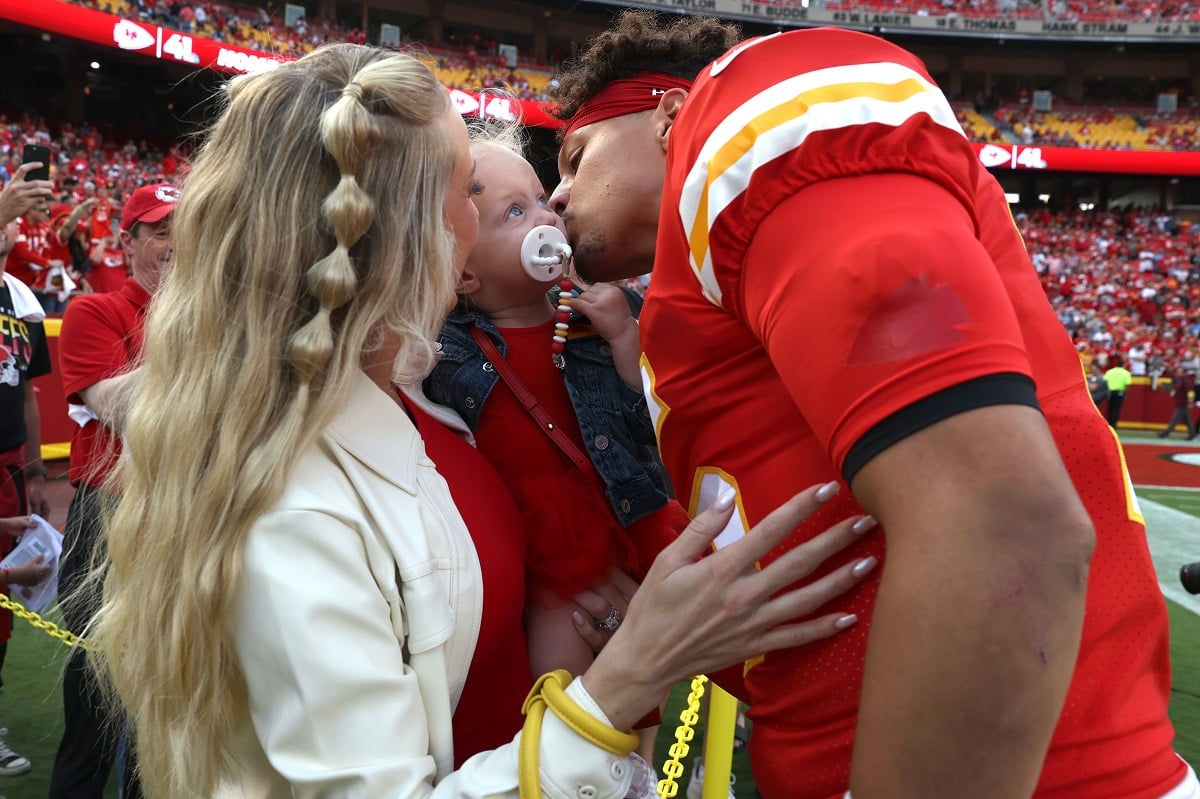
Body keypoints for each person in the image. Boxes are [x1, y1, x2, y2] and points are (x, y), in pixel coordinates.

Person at [81, 44, 878, 798]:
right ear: (400, 227)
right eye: (470, 187)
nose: (546, 215)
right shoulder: (297, 505)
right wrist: (630, 671)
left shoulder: (418, 392)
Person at [548, 11, 1188, 799]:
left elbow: (1001, 519)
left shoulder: (750, 111)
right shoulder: (697, 274)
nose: (559, 192)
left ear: (667, 112)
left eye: (576, 155)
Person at [425, 125, 687, 677]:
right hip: (528, 555)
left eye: (541, 200)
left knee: (641, 693)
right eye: (514, 214)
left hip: (619, 526)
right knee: (556, 673)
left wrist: (624, 342)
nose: (546, 218)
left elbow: (651, 428)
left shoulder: (597, 323)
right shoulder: (446, 350)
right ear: (464, 272)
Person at [52, 182, 176, 799]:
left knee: (166, 704)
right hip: (110, 512)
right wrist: (200, 327)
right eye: (159, 231)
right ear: (128, 242)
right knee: (96, 702)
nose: (175, 243)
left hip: (182, 513)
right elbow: (122, 406)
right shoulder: (93, 311)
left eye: (185, 229)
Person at [0, 161, 54, 776]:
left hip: (9, 463)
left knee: (4, 609)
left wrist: (37, 470)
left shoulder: (19, 296)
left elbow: (28, 392)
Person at [1158, 369, 1196, 439]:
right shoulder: (1180, 380)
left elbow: (1190, 392)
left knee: (1175, 420)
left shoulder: (1186, 381)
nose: (1178, 373)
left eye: (1179, 371)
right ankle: (1193, 434)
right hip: (1180, 403)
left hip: (1183, 404)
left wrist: (1190, 402)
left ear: (1184, 373)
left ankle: (1165, 433)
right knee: (1188, 421)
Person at [1104, 356, 1134, 428]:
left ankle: (1108, 425)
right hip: (1119, 392)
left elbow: (1104, 381)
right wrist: (1125, 394)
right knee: (1116, 409)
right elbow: (1127, 385)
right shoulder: (1126, 373)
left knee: (1109, 409)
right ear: (1123, 365)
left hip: (1109, 391)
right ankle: (1114, 425)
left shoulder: (1110, 371)